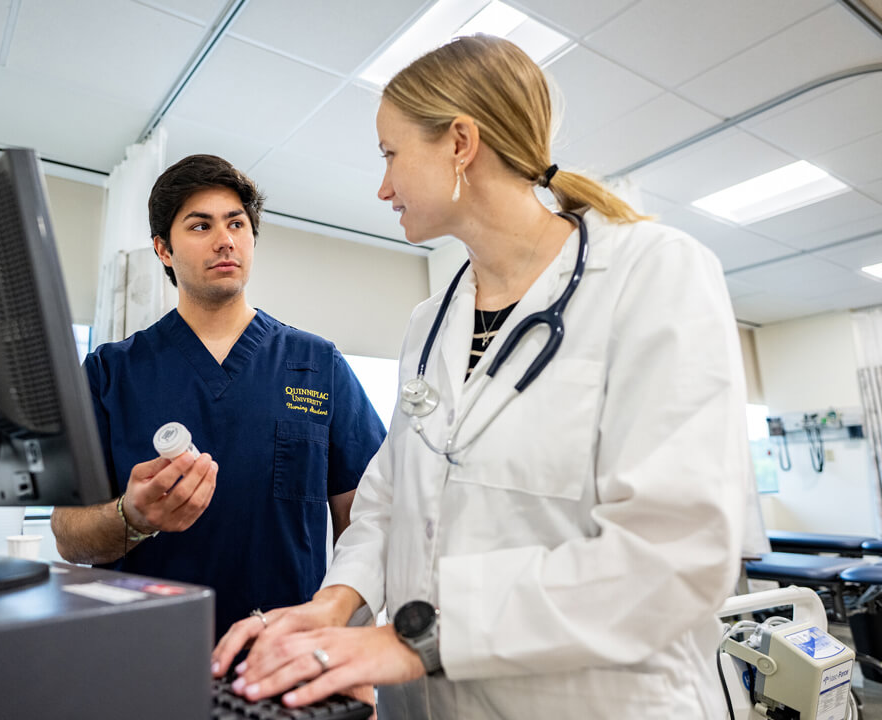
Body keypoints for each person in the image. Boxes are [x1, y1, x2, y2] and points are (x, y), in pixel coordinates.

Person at [211, 35, 748, 719]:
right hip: (428, 703)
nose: (383, 186)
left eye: (390, 155)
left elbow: (675, 553)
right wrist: (335, 603)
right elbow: (387, 499)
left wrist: (418, 640)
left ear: (460, 142)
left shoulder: (652, 273)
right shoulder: (432, 322)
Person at [51, 154, 387, 638]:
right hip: (147, 652)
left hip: (285, 653)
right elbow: (68, 534)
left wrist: (355, 647)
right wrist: (134, 517)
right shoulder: (111, 372)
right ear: (163, 249)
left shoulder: (318, 364)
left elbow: (365, 523)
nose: (225, 238)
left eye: (237, 223)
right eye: (200, 225)